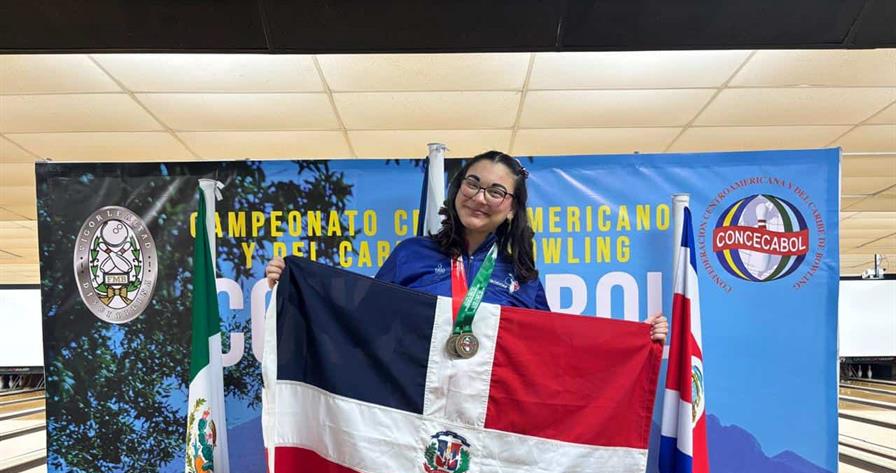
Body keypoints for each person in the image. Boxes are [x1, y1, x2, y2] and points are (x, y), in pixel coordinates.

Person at [266, 150, 667, 342]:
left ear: (511, 209)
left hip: (491, 413)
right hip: (412, 399)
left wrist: (633, 339)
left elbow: (552, 343)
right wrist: (297, 284)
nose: (480, 197)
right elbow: (363, 315)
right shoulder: (411, 254)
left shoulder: (521, 276)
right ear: (458, 189)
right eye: (473, 183)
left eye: (496, 191)